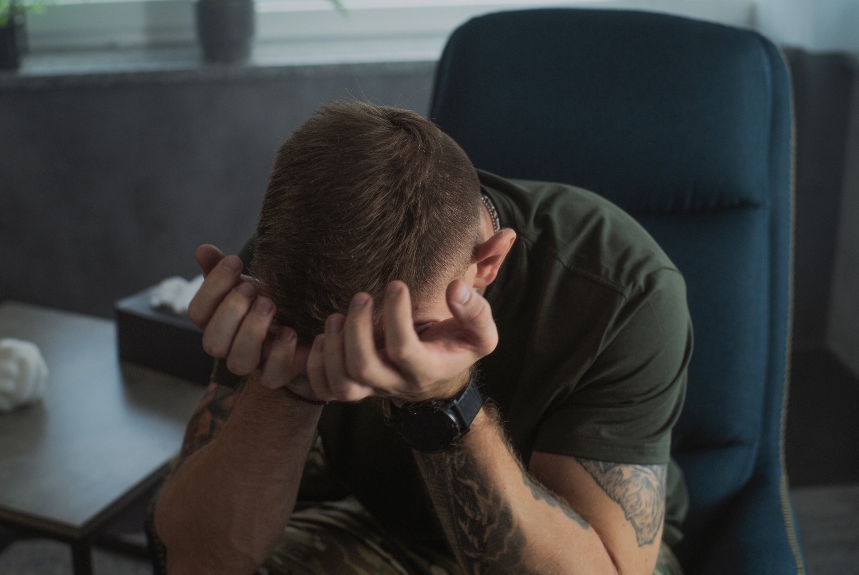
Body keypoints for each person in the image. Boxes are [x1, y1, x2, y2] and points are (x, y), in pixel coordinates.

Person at [149, 101, 691, 575]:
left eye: (399, 338)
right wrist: (284, 388)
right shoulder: (291, 267)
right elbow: (198, 560)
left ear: (487, 265)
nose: (357, 376)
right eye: (320, 343)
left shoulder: (621, 289)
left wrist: (445, 401)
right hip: (378, 517)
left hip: (572, 544)